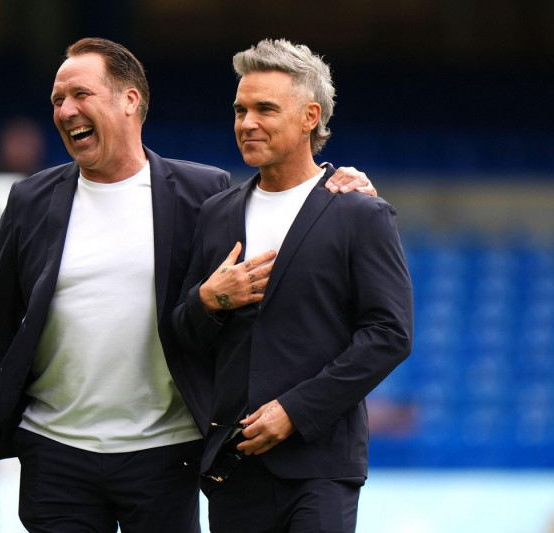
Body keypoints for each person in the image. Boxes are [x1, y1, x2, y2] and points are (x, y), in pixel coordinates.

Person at [0, 37, 375, 532]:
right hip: (54, 451)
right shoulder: (30, 200)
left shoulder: (205, 193)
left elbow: (284, 207)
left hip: (167, 451)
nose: (66, 110)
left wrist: (341, 185)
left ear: (130, 100)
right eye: (57, 100)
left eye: (80, 95)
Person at [171, 39, 413, 532]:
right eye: (240, 109)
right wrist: (209, 300)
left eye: (264, 109)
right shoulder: (216, 214)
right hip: (233, 467)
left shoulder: (360, 213)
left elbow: (390, 334)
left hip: (320, 466)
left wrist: (295, 412)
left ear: (309, 117)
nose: (246, 122)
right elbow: (183, 335)